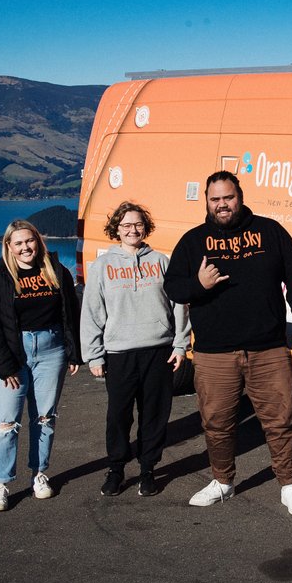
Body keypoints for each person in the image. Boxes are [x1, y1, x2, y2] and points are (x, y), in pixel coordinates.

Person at [164, 171, 292, 516]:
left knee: (281, 420)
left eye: (228, 197)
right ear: (207, 201)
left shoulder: (270, 231)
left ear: (240, 196)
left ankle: (290, 485)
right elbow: (173, 288)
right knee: (217, 423)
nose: (222, 205)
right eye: (215, 199)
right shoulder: (193, 241)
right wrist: (199, 284)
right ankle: (223, 482)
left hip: (269, 348)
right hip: (214, 353)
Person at [81, 202, 190, 498]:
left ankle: (147, 471)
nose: (133, 230)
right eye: (126, 225)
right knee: (118, 415)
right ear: (116, 229)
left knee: (154, 415)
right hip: (119, 353)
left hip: (159, 351)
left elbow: (179, 305)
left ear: (146, 227)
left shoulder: (161, 261)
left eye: (138, 224)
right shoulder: (103, 266)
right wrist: (93, 354)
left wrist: (181, 344)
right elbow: (92, 311)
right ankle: (116, 469)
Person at [0, 219, 81, 513]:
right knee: (6, 423)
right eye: (18, 243)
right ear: (8, 246)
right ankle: (1, 484)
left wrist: (74, 353)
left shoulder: (56, 271)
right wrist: (4, 364)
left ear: (38, 241)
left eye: (30, 241)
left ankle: (39, 474)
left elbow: (69, 313)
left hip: (52, 351)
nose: (26, 248)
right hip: (13, 353)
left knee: (45, 417)